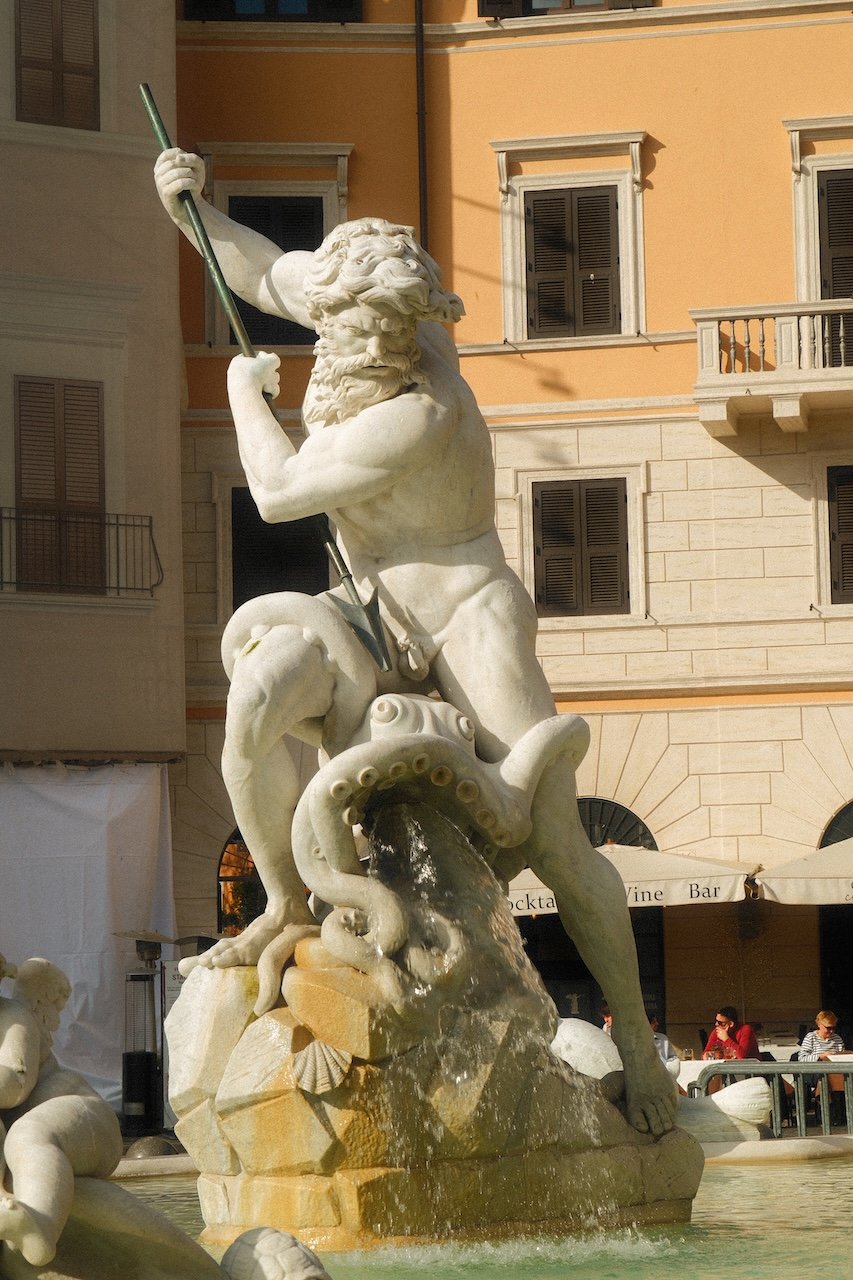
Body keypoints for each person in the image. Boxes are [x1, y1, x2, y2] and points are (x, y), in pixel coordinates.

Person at [152, 149, 677, 1138]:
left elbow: (277, 492)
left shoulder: (419, 410)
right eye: (341, 324)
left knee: (554, 836)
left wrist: (242, 394)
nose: (354, 340)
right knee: (256, 701)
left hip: (464, 599)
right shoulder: (344, 305)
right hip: (362, 606)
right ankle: (282, 901)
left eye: (373, 331)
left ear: (404, 328)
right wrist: (190, 211)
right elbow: (262, 273)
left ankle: (640, 1048)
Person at [0, 955, 123, 1267]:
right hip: (50, 1131)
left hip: (82, 1117)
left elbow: (15, 1083)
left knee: (26, 1134)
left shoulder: (12, 1017)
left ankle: (39, 1228)